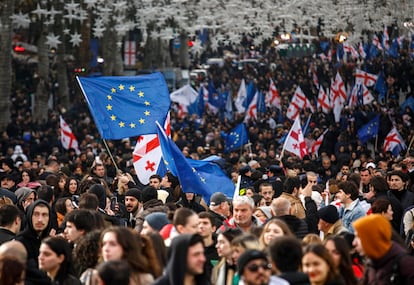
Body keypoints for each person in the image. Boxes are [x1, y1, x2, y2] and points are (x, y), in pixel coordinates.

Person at [353, 214, 414, 284]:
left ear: (371, 238)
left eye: (358, 237)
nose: (354, 243)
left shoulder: (406, 264)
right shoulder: (371, 265)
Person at [16, 200, 52, 284]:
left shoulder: (50, 242)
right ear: (29, 216)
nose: (40, 219)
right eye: (36, 214)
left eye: (44, 215)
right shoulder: (20, 243)